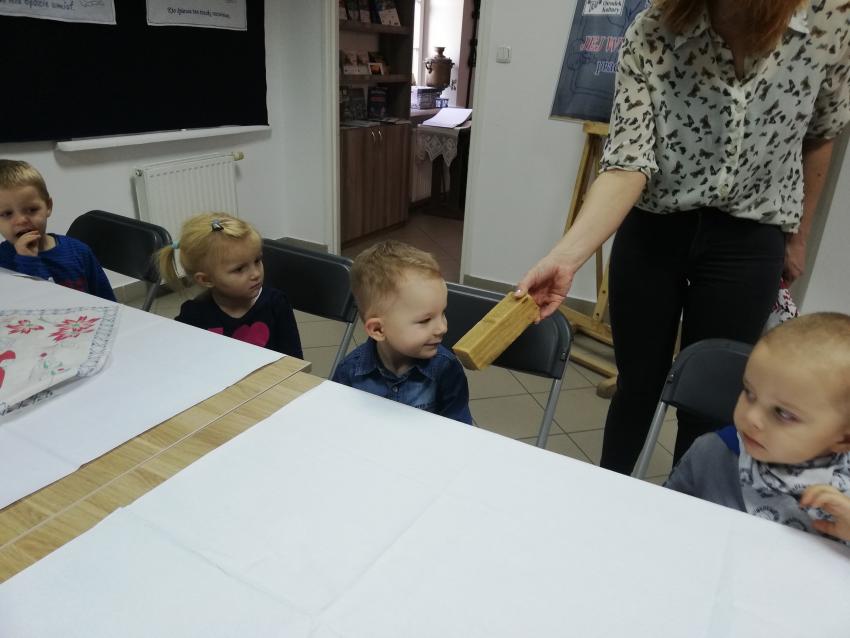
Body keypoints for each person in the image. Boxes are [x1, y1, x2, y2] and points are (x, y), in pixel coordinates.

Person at [517, 0, 850, 475]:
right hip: (654, 228)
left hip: (749, 237)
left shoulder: (828, 20)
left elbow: (821, 133)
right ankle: (608, 496)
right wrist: (565, 257)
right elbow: (627, 163)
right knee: (637, 386)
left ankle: (691, 499)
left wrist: (798, 236)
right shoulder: (653, 28)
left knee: (710, 398)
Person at [665, 313, 850, 546]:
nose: (751, 417)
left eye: (783, 413)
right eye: (749, 393)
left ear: (843, 439)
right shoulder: (712, 454)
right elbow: (660, 514)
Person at [332, 240, 472, 424]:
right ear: (378, 329)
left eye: (442, 313)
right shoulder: (349, 372)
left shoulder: (446, 369)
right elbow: (336, 423)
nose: (442, 328)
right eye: (425, 320)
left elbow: (459, 431)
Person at [157, 212, 302, 358]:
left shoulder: (275, 304)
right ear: (206, 279)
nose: (256, 274)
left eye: (257, 261)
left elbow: (295, 361)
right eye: (239, 269)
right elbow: (180, 358)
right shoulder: (194, 314)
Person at [0, 159, 115, 301]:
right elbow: (32, 304)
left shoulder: (79, 252)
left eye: (32, 210)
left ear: (48, 206)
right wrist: (27, 261)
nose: (21, 220)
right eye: (7, 214)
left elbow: (107, 300)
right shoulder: (2, 259)